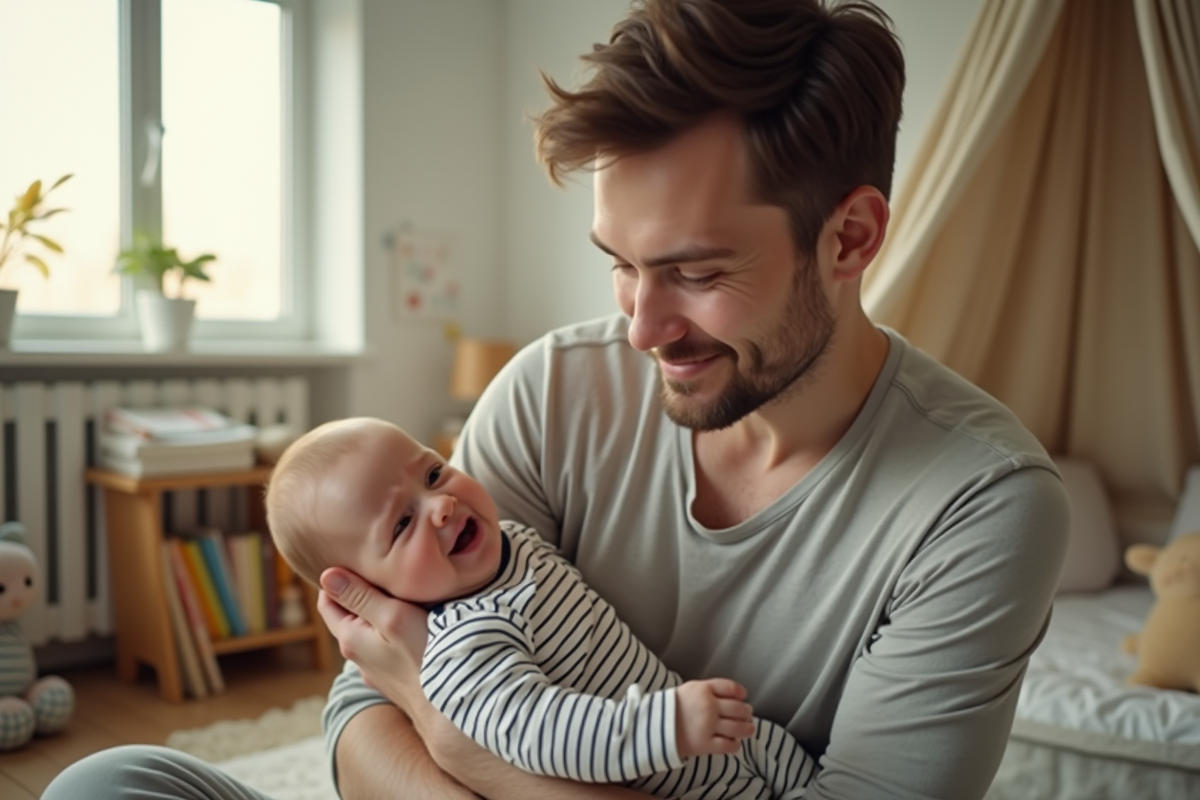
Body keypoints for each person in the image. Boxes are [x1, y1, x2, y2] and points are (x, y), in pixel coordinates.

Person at [42, 1, 1070, 798]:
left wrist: (456, 739)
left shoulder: (979, 504)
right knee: (111, 779)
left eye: (696, 273)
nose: (639, 327)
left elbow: (422, 695)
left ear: (848, 238)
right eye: (620, 264)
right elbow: (365, 700)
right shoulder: (551, 389)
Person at [266, 415, 817, 799]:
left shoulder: (510, 541)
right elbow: (544, 735)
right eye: (403, 524)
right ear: (363, 588)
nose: (441, 505)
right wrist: (664, 725)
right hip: (670, 770)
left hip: (748, 748)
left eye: (433, 473)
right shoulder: (459, 650)